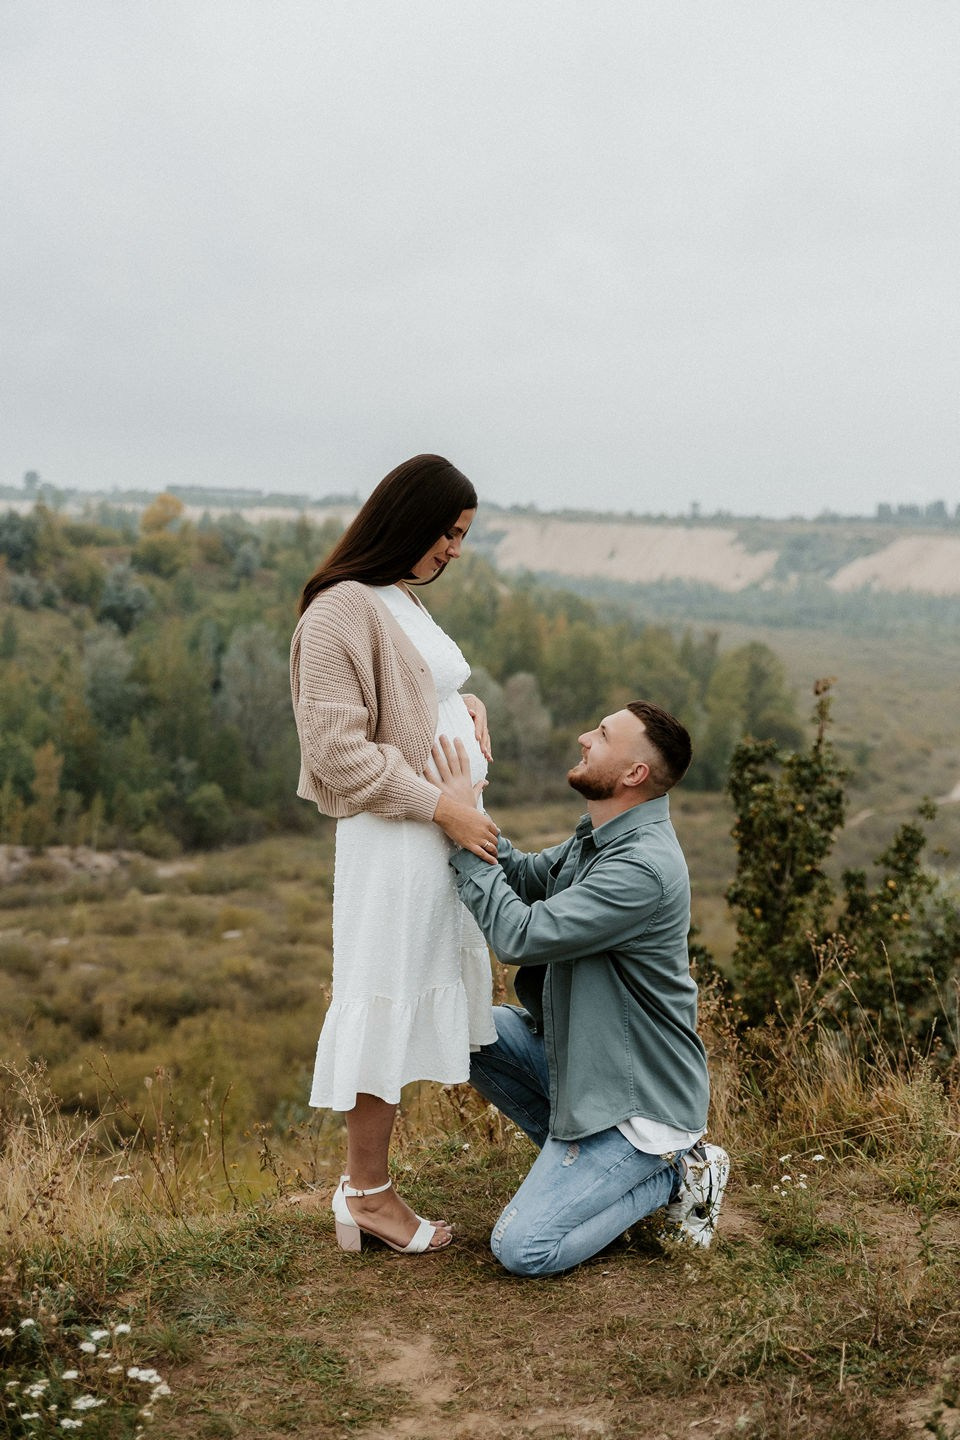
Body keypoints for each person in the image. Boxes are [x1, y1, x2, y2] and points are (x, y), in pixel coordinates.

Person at [425, 702, 729, 1277]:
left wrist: (462, 840)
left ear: (634, 774)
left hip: (636, 1105)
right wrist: (468, 813)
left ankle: (674, 1174)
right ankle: (584, 1171)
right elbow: (527, 875)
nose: (585, 737)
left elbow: (521, 934)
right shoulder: (602, 833)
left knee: (522, 1248)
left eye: (604, 735)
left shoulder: (642, 867)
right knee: (466, 1029)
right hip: (586, 1067)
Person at [289, 454, 500, 1255]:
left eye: (462, 535)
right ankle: (366, 1196)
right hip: (397, 841)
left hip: (435, 834)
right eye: (447, 532)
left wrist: (465, 705)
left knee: (414, 992)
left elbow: (415, 695)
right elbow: (340, 754)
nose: (453, 549)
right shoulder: (340, 611)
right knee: (382, 997)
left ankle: (368, 1191)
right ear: (407, 520)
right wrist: (444, 806)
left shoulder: (395, 597)